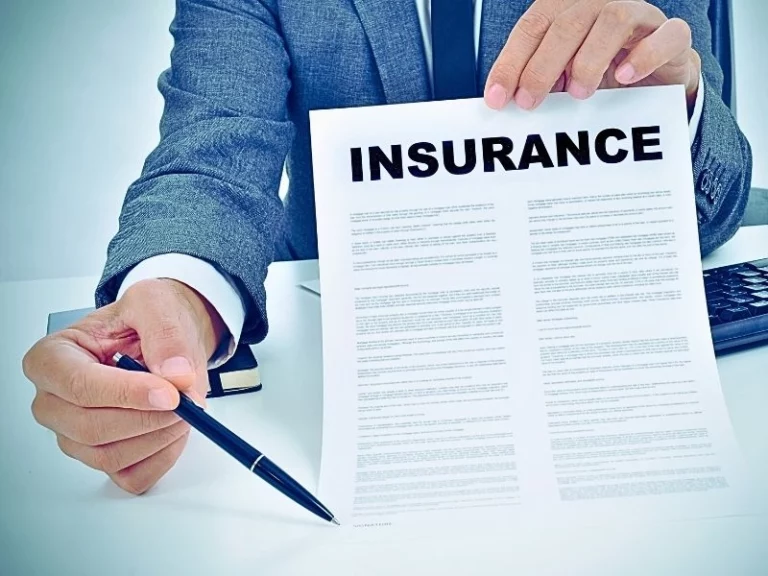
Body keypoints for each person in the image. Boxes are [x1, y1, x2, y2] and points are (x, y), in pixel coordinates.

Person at [22, 0, 752, 495]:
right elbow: (213, 153)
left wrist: (674, 104)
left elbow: (712, 205)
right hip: (358, 352)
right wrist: (176, 295)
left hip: (589, 351)